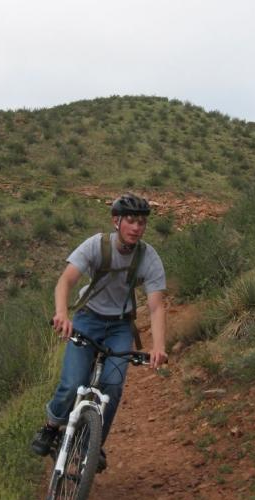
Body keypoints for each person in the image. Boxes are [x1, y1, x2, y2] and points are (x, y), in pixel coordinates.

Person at [30, 193, 167, 467]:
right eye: (130, 221)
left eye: (141, 222)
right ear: (116, 221)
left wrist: (159, 346)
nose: (136, 227)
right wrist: (61, 314)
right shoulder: (97, 245)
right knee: (72, 382)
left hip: (120, 326)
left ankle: (94, 445)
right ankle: (51, 425)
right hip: (87, 319)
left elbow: (156, 307)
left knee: (113, 387)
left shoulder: (148, 257)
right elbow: (65, 281)